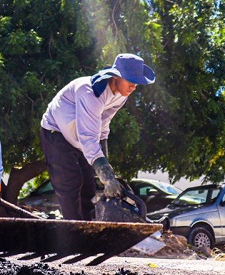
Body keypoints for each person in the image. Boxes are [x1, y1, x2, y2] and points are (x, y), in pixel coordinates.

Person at [40, 53, 156, 221]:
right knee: (71, 182)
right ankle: (72, 231)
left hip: (82, 138)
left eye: (136, 82)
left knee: (88, 186)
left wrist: (106, 169)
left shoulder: (121, 95)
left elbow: (103, 126)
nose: (133, 87)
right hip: (56, 132)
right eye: (130, 81)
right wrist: (107, 178)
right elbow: (88, 137)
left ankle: (88, 229)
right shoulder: (90, 93)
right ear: (116, 76)